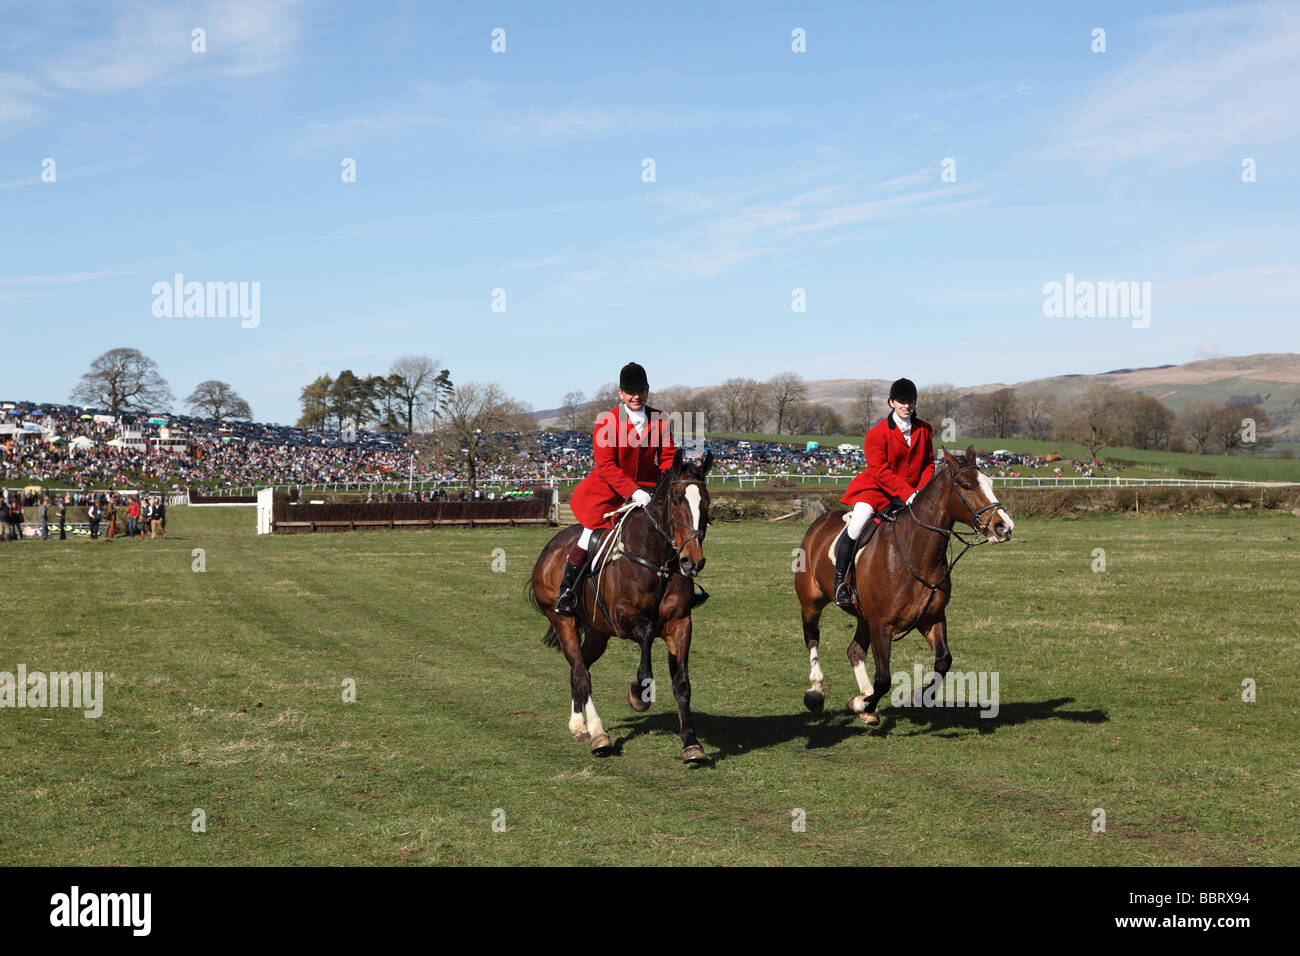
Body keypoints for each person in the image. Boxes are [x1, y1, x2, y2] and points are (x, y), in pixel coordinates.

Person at [556, 362, 676, 614]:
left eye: (641, 390)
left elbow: (667, 458)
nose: (636, 396)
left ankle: (682, 588)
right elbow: (606, 465)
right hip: (607, 493)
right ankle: (567, 591)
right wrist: (633, 491)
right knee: (589, 536)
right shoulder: (607, 422)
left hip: (648, 490)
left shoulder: (660, 420)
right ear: (620, 393)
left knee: (672, 533)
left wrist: (663, 485)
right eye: (630, 391)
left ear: (647, 391)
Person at [834, 377, 936, 609]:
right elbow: (879, 471)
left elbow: (928, 463)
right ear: (891, 402)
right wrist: (908, 494)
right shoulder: (876, 433)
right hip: (876, 490)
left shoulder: (925, 430)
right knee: (857, 525)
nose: (906, 405)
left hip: (912, 493)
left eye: (910, 401)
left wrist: (920, 492)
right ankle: (840, 582)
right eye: (900, 401)